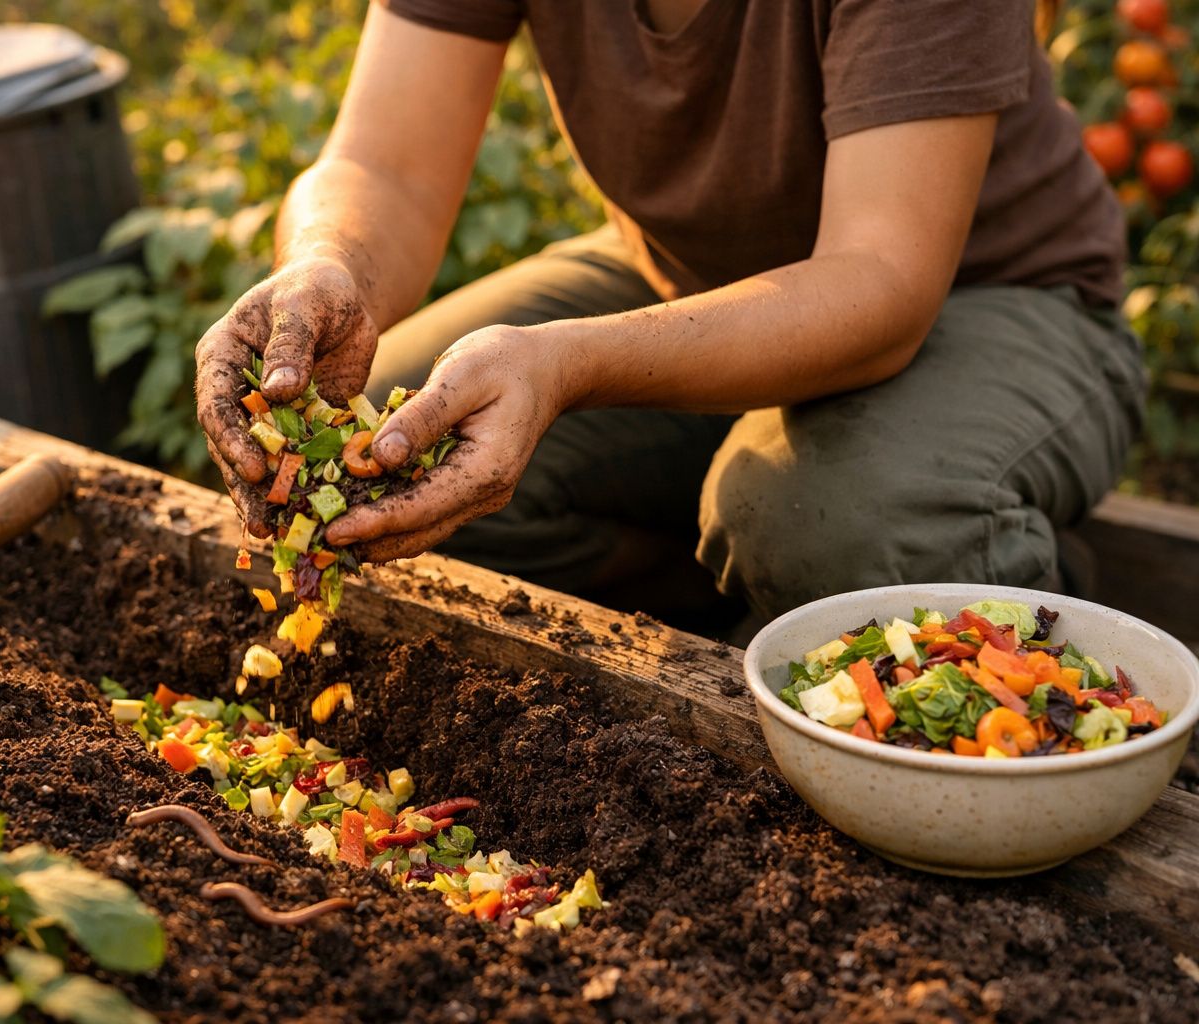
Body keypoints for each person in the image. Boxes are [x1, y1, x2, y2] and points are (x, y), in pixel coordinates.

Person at [195, 0, 1145, 628]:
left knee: (832, 525)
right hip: (686, 289)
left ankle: (995, 576)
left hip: (995, 301)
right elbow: (385, 166)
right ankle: (742, 601)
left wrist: (566, 363)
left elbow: (882, 280)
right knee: (379, 469)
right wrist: (328, 265)